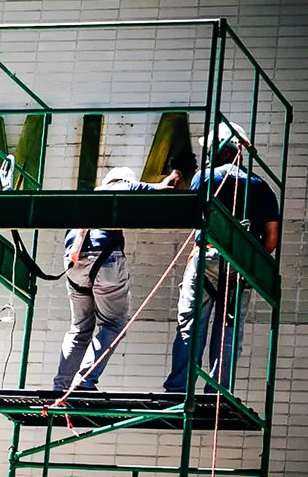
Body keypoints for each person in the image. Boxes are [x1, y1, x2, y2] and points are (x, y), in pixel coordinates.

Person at [163, 122, 279, 393]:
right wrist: (250, 261)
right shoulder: (261, 187)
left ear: (223, 150)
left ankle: (179, 388)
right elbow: (271, 239)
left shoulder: (205, 177)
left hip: (207, 258)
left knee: (191, 324)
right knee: (229, 331)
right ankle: (217, 391)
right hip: (241, 264)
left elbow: (193, 218)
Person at [53, 166, 182, 391]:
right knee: (113, 324)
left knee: (80, 327)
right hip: (104, 259)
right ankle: (84, 382)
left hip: (73, 263)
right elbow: (165, 189)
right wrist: (176, 173)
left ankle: (61, 386)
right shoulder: (122, 187)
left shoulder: (86, 198)